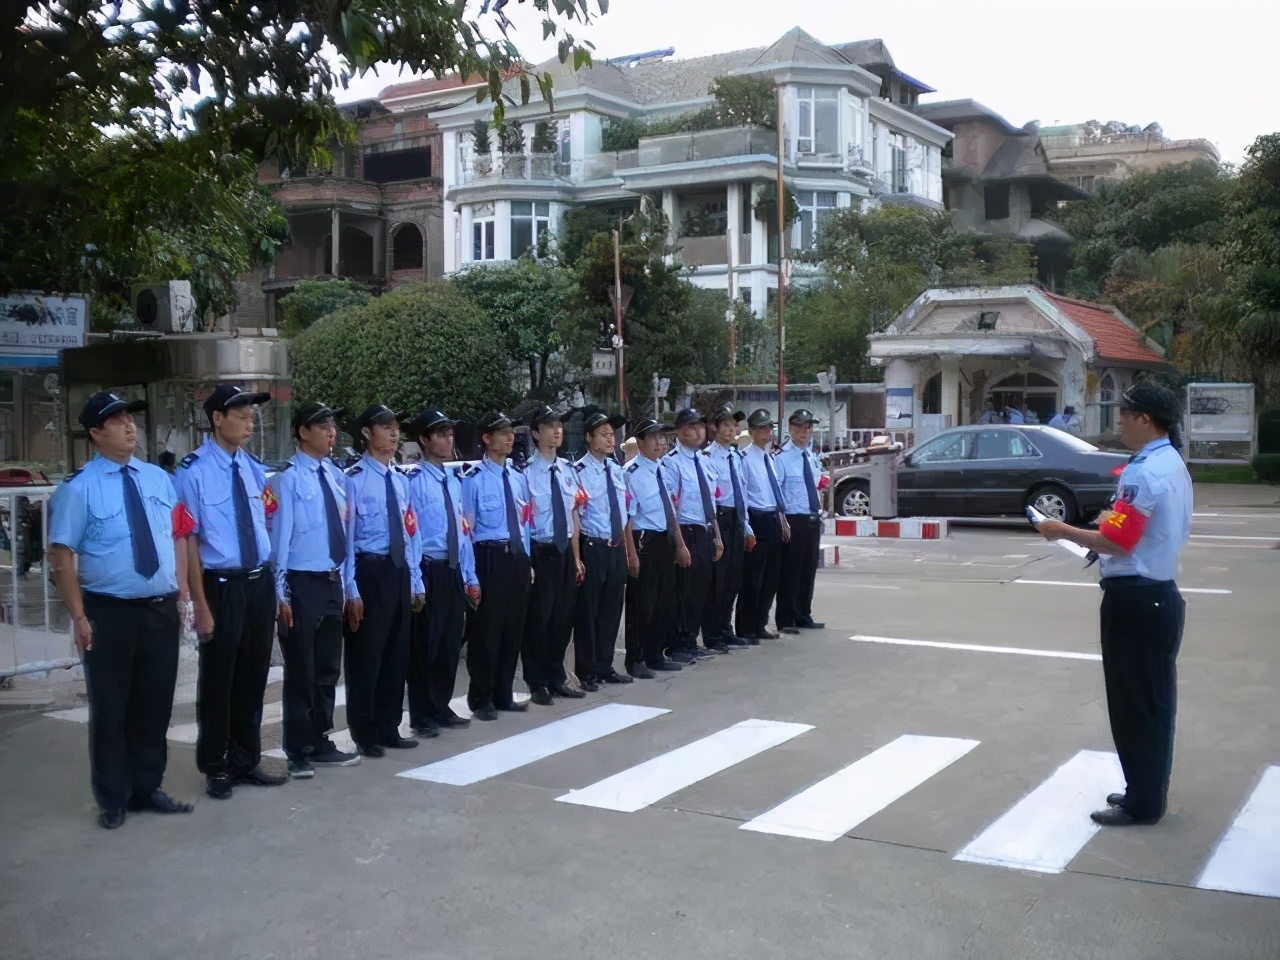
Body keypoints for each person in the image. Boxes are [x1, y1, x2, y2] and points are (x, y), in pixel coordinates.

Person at [1034, 382, 1192, 827]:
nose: (1119, 420)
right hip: (1157, 595)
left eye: (1125, 413)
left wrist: (1059, 529)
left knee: (1135, 705)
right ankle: (1144, 791)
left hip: (1136, 600)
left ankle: (1143, 802)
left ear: (1145, 419)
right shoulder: (1169, 462)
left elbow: (1117, 540)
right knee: (1150, 702)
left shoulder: (1143, 472)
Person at [48, 391, 195, 829]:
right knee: (111, 707)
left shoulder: (158, 480)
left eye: (130, 418)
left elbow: (178, 538)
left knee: (154, 702)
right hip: (108, 612)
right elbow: (62, 556)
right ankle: (113, 798)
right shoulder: (78, 489)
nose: (130, 426)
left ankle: (148, 787)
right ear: (96, 432)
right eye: (117, 420)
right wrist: (79, 616)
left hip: (159, 609)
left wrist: (183, 593)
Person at [176, 384, 286, 800]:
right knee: (219, 678)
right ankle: (216, 764)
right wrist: (199, 603)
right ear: (217, 418)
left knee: (254, 673)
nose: (249, 419)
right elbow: (188, 541)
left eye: (252, 413)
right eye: (240, 412)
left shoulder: (254, 468)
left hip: (258, 582)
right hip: (220, 585)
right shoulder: (193, 471)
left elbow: (265, 524)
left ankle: (246, 757)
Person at [265, 401, 361, 779]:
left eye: (333, 426)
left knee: (326, 669)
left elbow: (346, 538)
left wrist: (350, 587)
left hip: (331, 580)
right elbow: (280, 543)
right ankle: (299, 748)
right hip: (301, 583)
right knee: (301, 670)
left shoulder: (336, 477)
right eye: (323, 426)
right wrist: (281, 594)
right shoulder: (287, 479)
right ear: (304, 431)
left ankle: (320, 738)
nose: (331, 432)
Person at [341, 404, 424, 757]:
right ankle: (365, 731)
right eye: (385, 427)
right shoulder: (353, 479)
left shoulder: (401, 480)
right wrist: (351, 586)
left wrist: (416, 578)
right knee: (367, 656)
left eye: (395, 427)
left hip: (398, 570)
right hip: (369, 570)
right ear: (366, 433)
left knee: (395, 653)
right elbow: (346, 537)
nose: (393, 434)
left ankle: (389, 725)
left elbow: (410, 531)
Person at [403, 407, 479, 737]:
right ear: (424, 440)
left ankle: (441, 704)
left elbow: (463, 530)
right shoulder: (415, 482)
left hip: (452, 569)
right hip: (428, 569)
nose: (448, 439)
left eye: (450, 433)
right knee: (426, 646)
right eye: (440, 433)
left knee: (449, 642)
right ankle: (422, 713)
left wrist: (469, 574)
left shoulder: (454, 479)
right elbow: (411, 533)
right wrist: (415, 579)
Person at [460, 411, 532, 721]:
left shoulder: (518, 478)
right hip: (487, 556)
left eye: (511, 431)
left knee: (512, 629)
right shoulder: (473, 480)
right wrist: (470, 573)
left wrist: (526, 559)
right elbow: (467, 530)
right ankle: (482, 696)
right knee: (486, 631)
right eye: (501, 432)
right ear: (486, 439)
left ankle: (503, 692)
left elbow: (525, 522)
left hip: (515, 557)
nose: (509, 437)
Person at [521, 405, 591, 705]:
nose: (557, 430)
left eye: (559, 425)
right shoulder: (525, 473)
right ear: (536, 433)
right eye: (550, 426)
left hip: (564, 550)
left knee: (564, 617)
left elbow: (574, 515)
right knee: (540, 619)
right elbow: (523, 521)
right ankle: (536, 681)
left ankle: (556, 675)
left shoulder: (568, 471)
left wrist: (576, 557)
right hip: (542, 550)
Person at [573, 411, 635, 682]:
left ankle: (604, 665)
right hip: (593, 545)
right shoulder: (579, 472)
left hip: (615, 546)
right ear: (589, 438)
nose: (610, 439)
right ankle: (586, 669)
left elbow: (623, 512)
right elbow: (576, 514)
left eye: (612, 434)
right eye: (603, 434)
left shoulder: (617, 470)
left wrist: (627, 549)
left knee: (611, 609)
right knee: (589, 612)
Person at [624, 419, 686, 674]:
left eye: (661, 437)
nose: (659, 442)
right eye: (653, 437)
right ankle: (635, 658)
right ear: (639, 442)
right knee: (642, 603)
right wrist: (631, 554)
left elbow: (670, 509)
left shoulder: (665, 469)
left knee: (663, 600)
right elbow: (627, 517)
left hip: (664, 539)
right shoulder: (631, 473)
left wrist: (679, 543)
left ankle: (655, 654)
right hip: (643, 539)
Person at [661, 407, 724, 659]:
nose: (697, 431)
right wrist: (678, 543)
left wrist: (717, 535)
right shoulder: (671, 462)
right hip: (685, 531)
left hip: (704, 530)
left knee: (700, 591)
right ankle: (676, 643)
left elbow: (712, 503)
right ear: (678, 431)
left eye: (700, 426)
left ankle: (690, 640)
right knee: (682, 592)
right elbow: (671, 507)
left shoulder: (706, 462)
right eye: (691, 427)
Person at [736, 408, 790, 641]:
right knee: (752, 579)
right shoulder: (744, 458)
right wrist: (747, 527)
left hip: (772, 518)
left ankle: (760, 624)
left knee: (770, 578)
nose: (765, 432)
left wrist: (782, 520)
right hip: (756, 518)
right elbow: (744, 495)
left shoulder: (770, 458)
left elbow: (774, 492)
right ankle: (745, 627)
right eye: (760, 428)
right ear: (751, 431)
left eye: (768, 428)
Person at [704, 406, 755, 648]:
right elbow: (711, 497)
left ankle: (726, 627)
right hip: (719, 518)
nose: (729, 430)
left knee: (734, 577)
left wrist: (746, 526)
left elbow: (742, 492)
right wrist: (714, 531)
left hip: (736, 518)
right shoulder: (707, 457)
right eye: (724, 425)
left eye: (733, 425)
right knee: (718, 580)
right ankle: (712, 633)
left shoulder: (737, 456)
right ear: (714, 428)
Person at [775, 408, 825, 635]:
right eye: (799, 426)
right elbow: (778, 493)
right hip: (793, 520)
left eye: (808, 427)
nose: (804, 431)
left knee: (808, 569)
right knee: (791, 571)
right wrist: (782, 521)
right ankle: (786, 618)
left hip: (812, 517)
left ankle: (803, 613)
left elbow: (816, 486)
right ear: (790, 428)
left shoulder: (812, 457)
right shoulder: (782, 458)